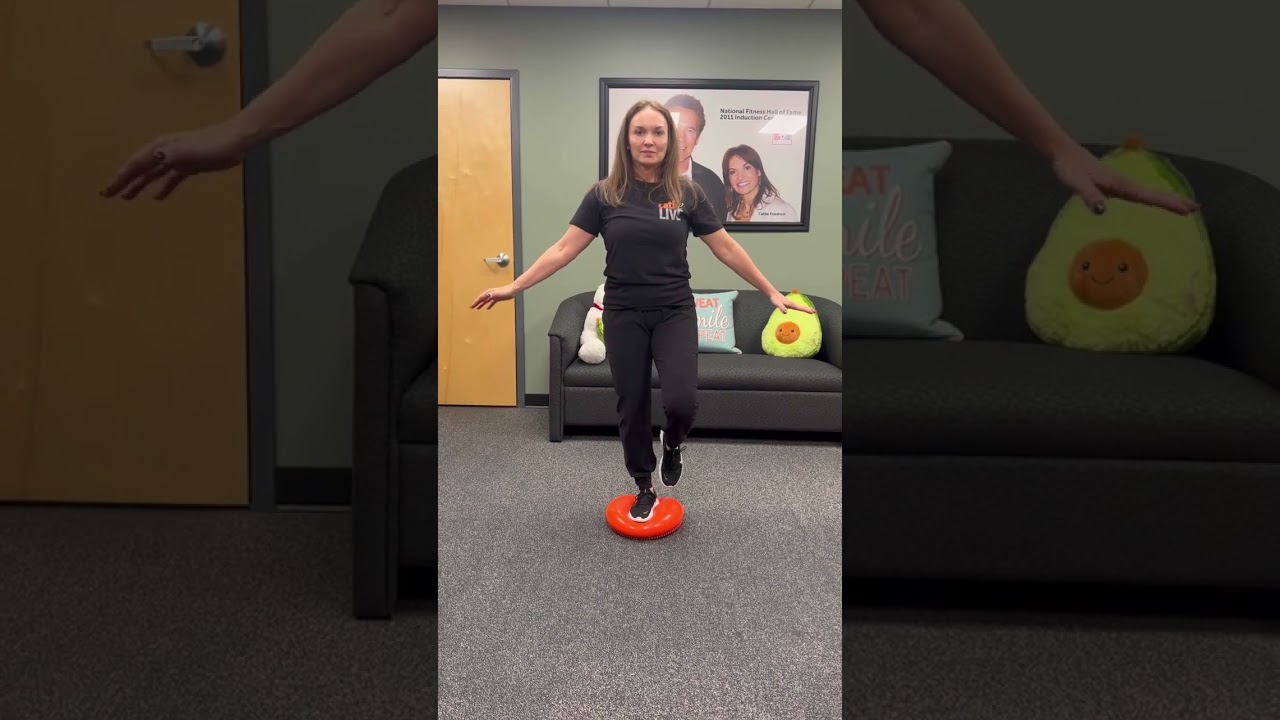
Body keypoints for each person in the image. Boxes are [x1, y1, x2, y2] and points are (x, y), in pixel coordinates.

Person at [101, 0, 1197, 215]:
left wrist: (1051, 142)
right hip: (565, 180)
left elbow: (909, 7)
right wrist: (241, 128)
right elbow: (402, 9)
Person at [473, 100, 814, 521]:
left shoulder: (686, 193)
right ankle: (643, 484)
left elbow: (725, 246)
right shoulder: (604, 195)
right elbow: (563, 249)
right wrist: (514, 286)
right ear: (627, 140)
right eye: (640, 132)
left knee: (682, 401)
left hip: (673, 311)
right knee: (631, 406)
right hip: (623, 314)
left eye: (658, 132)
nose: (649, 140)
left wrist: (769, 291)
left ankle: (672, 445)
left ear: (670, 141)